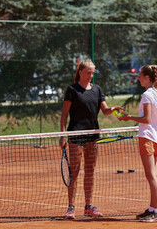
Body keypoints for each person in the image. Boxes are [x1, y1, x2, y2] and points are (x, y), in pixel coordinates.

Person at [59, 59, 123, 219]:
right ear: (80, 72)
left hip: (93, 135)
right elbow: (64, 114)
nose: (90, 75)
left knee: (90, 171)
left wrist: (113, 110)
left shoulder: (97, 89)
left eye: (92, 73)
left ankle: (88, 207)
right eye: (88, 72)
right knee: (74, 171)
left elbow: (105, 110)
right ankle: (71, 208)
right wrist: (62, 135)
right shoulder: (72, 90)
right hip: (75, 135)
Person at [117, 65, 157, 222]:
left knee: (151, 175)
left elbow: (146, 119)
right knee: (152, 174)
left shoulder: (147, 95)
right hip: (155, 137)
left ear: (147, 77)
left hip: (147, 137)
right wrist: (153, 124)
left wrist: (128, 117)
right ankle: (152, 208)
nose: (138, 78)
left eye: (140, 75)